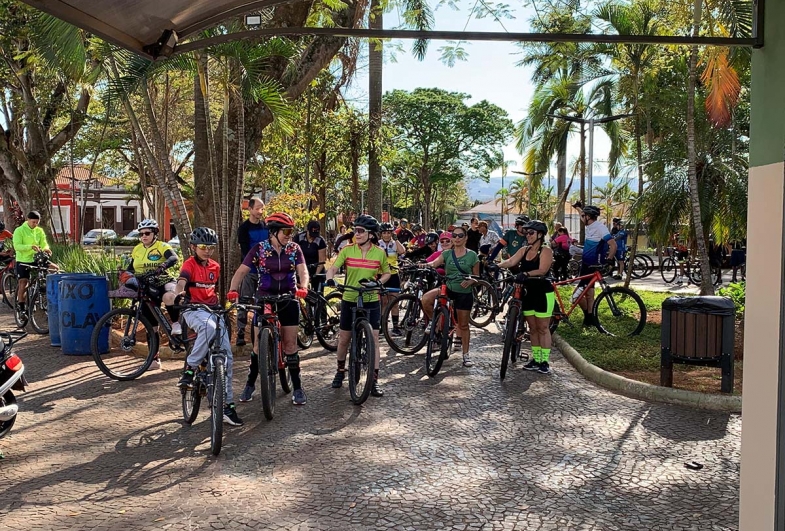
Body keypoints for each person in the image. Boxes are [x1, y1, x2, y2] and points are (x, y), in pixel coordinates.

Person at [229, 213, 309, 405]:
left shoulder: (294, 249)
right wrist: (232, 290)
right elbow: (241, 271)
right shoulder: (259, 249)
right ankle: (250, 384)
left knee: (290, 345)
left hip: (289, 297)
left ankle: (297, 387)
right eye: (286, 231)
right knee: (257, 345)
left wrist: (303, 287)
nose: (290, 235)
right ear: (273, 232)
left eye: (292, 231)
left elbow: (303, 270)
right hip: (264, 298)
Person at [175, 227, 243, 426]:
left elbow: (217, 292)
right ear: (194, 247)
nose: (207, 251)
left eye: (211, 247)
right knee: (209, 328)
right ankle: (191, 367)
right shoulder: (189, 264)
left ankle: (227, 406)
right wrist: (179, 294)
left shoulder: (215, 266)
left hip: (214, 310)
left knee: (227, 359)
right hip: (193, 310)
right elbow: (181, 281)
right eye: (203, 247)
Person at [325, 214, 391, 397]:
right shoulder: (347, 250)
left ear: (370, 234)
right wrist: (330, 279)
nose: (357, 233)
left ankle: (374, 380)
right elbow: (333, 268)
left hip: (371, 299)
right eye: (355, 230)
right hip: (350, 297)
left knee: (375, 340)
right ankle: (340, 371)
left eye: (361, 231)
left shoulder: (379, 252)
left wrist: (378, 283)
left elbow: (386, 273)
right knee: (344, 338)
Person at [492, 220, 555, 374]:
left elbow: (542, 270)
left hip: (543, 293)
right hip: (528, 293)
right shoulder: (524, 249)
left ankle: (544, 361)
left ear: (540, 235)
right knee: (533, 328)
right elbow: (511, 261)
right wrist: (496, 265)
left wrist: (525, 274)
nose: (528, 235)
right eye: (527, 233)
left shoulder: (545, 251)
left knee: (543, 328)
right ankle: (536, 359)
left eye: (531, 233)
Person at [121, 218, 179, 369]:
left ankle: (176, 324)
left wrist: (161, 267)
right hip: (146, 286)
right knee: (151, 326)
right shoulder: (137, 249)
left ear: (155, 233)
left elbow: (173, 258)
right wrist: (125, 273)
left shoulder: (162, 246)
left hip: (163, 281)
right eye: (141, 234)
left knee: (169, 297)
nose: (144, 236)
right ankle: (154, 359)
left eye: (147, 233)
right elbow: (131, 267)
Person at [422, 225, 479, 368]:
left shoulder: (472, 255)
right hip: (448, 288)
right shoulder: (447, 254)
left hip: (464, 293)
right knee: (426, 299)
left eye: (460, 236)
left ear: (466, 238)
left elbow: (477, 276)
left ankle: (466, 355)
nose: (457, 238)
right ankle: (434, 324)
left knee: (464, 325)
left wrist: (471, 280)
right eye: (454, 235)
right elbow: (434, 263)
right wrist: (424, 265)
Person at [572, 202, 616, 327]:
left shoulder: (600, 228)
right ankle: (590, 318)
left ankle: (588, 316)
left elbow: (613, 244)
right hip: (586, 264)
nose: (582, 217)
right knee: (589, 293)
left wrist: (609, 259)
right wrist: (578, 208)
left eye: (584, 216)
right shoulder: (589, 224)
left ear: (589, 217)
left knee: (576, 295)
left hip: (593, 265)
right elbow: (581, 214)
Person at [236, 197, 268, 346]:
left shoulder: (266, 226)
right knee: (244, 302)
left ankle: (263, 331)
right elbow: (245, 251)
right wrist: (255, 261)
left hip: (265, 271)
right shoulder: (244, 228)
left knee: (263, 301)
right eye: (257, 209)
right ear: (250, 209)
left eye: (262, 208)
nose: (260, 212)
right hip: (250, 270)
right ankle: (240, 333)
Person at [13, 211, 58, 316]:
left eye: (37, 222)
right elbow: (17, 246)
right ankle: (22, 308)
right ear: (28, 220)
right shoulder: (19, 231)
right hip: (23, 260)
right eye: (33, 222)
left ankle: (47, 291)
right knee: (23, 283)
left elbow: (44, 243)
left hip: (37, 259)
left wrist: (46, 249)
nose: (35, 224)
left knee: (55, 268)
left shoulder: (39, 231)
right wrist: (30, 247)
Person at [378, 222, 406, 335]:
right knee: (384, 302)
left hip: (393, 274)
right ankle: (382, 326)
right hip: (382, 274)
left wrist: (396, 239)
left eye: (388, 233)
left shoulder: (394, 244)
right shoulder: (377, 244)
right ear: (381, 234)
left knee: (394, 301)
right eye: (384, 233)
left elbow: (402, 251)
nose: (386, 235)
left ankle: (395, 326)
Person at [294, 220, 327, 290]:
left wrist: (315, 275)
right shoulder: (298, 238)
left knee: (317, 293)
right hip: (302, 267)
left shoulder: (320, 241)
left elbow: (322, 260)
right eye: (311, 234)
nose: (313, 237)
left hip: (317, 268)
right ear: (307, 231)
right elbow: (293, 255)